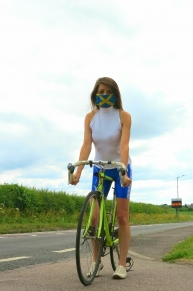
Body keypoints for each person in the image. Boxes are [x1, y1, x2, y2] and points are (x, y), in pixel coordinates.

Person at [71, 77, 132, 280]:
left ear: (115, 93)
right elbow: (87, 145)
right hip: (100, 168)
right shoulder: (91, 117)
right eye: (100, 91)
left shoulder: (123, 116)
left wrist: (123, 170)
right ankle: (96, 261)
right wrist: (79, 170)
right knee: (94, 219)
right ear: (95, 94)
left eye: (107, 91)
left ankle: (122, 264)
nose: (103, 95)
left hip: (119, 166)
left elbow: (124, 145)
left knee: (122, 216)